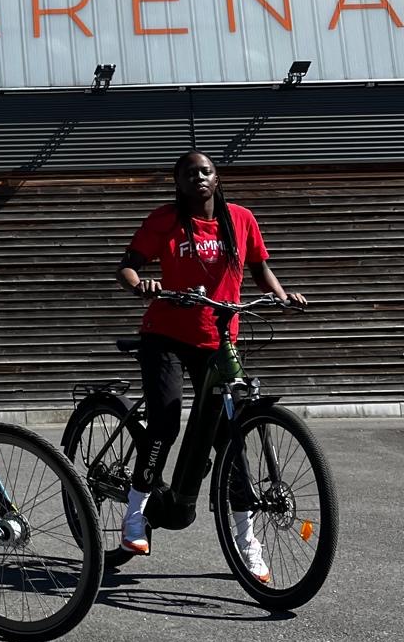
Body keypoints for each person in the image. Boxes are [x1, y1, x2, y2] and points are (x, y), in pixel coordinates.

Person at [116, 150, 305, 577]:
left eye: (206, 171)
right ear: (177, 181)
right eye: (189, 173)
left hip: (218, 339)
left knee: (231, 439)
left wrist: (281, 296)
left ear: (217, 179)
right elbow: (127, 267)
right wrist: (141, 284)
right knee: (165, 422)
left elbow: (260, 269)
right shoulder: (165, 220)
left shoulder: (240, 219)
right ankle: (135, 513)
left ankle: (247, 540)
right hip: (165, 334)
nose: (198, 177)